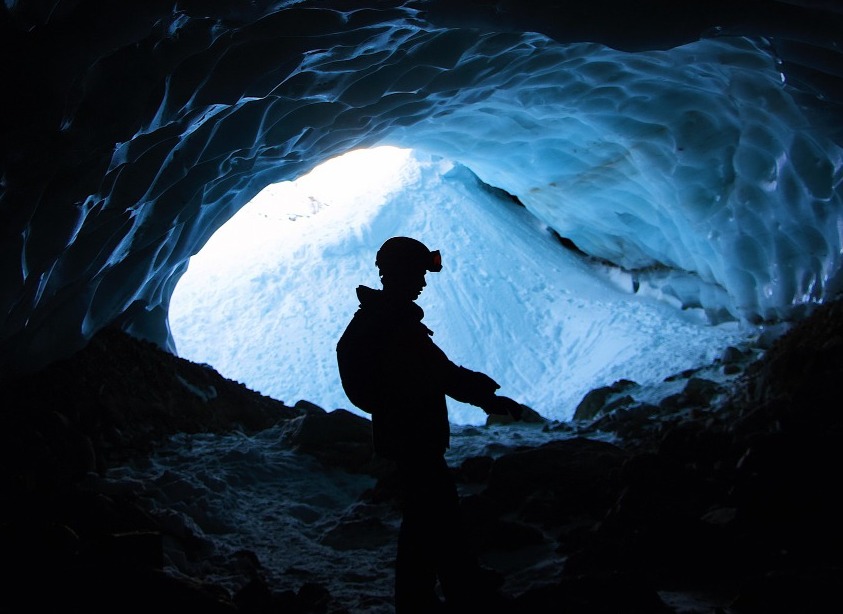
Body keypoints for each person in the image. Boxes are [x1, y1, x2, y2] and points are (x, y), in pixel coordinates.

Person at [336, 236, 523, 613]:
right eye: (419, 272)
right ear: (400, 273)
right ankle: (463, 593)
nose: (423, 281)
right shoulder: (394, 323)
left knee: (424, 520)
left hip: (405, 435)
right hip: (414, 437)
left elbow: (434, 373)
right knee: (440, 518)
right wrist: (486, 396)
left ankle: (421, 597)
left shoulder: (384, 317)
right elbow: (440, 374)